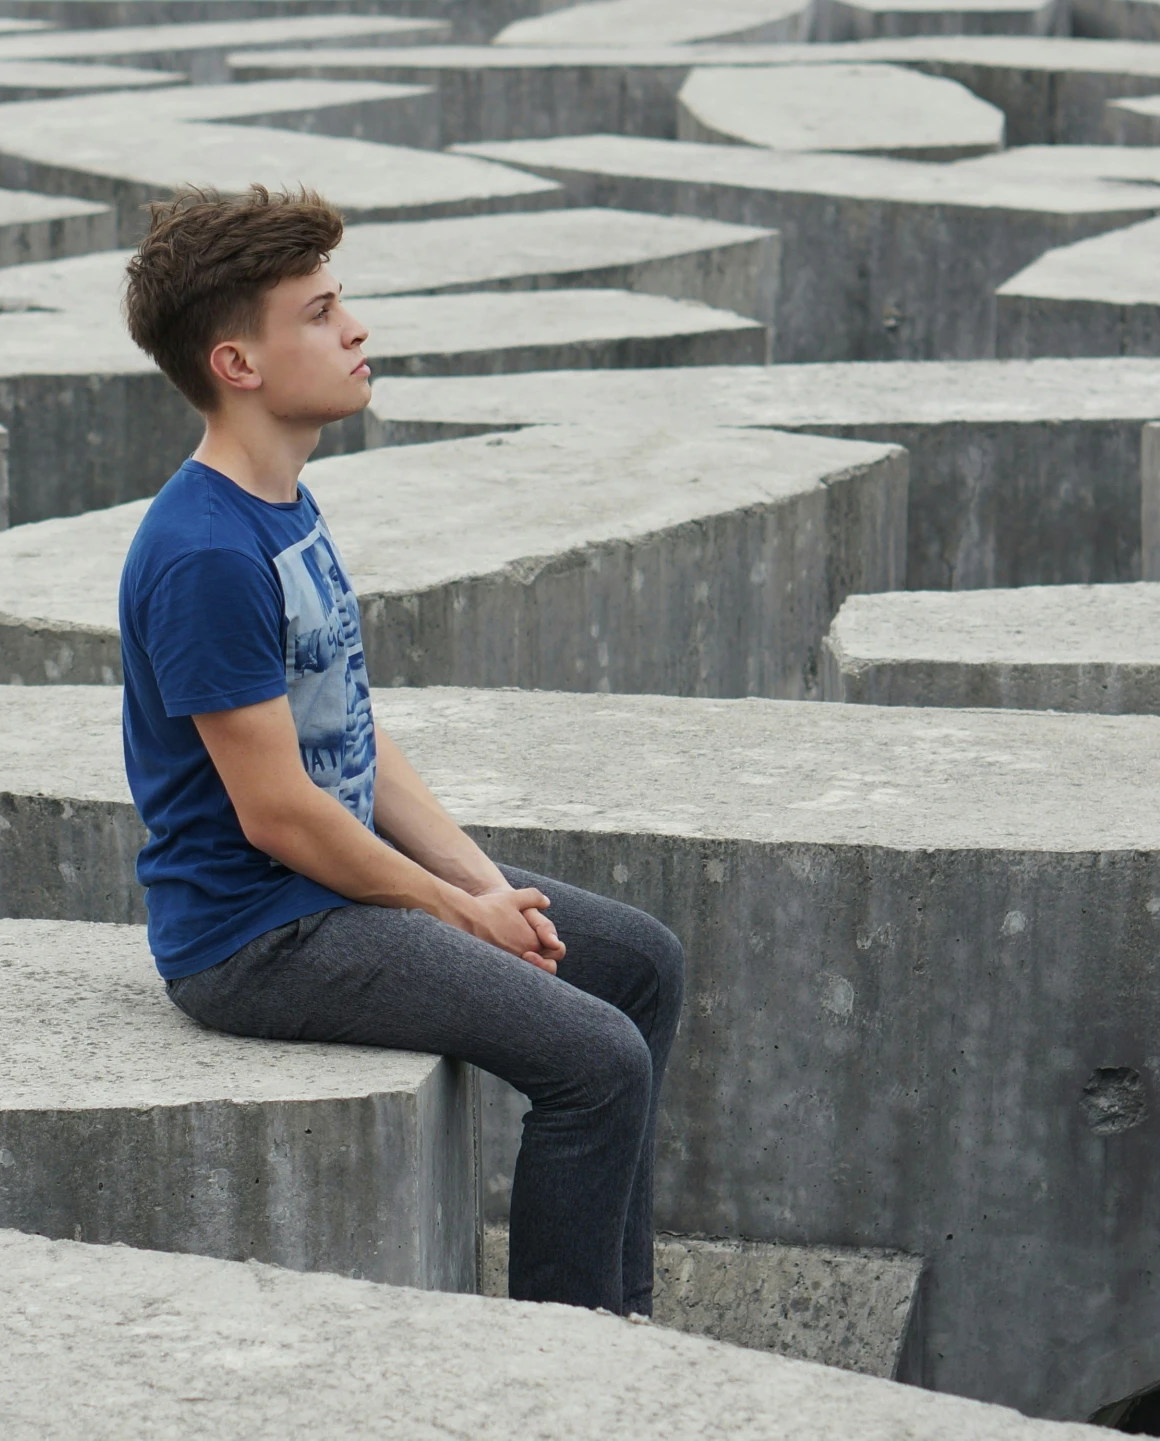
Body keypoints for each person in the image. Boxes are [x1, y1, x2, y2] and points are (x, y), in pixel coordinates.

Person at [115, 184, 684, 1316]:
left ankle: (625, 1325)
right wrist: (448, 912)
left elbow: (355, 745)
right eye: (320, 312)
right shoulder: (206, 553)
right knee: (595, 1060)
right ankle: (562, 1359)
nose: (356, 328)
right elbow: (276, 812)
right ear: (239, 364)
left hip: (323, 897)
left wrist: (481, 883)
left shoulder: (285, 504)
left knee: (639, 960)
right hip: (255, 936)